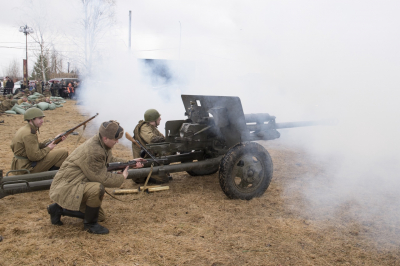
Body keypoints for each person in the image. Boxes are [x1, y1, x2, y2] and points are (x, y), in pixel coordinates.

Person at [48, 120, 145, 234]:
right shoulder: (94, 150)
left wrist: (130, 163)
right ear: (106, 138)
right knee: (97, 188)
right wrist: (122, 178)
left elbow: (110, 161)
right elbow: (101, 178)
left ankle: (57, 209)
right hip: (68, 185)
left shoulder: (101, 143)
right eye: (115, 139)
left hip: (77, 182)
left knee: (99, 216)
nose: (117, 142)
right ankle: (90, 225)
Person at [10, 108, 69, 175]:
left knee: (61, 153)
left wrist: (55, 139)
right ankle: (48, 177)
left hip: (20, 165)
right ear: (31, 119)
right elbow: (34, 156)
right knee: (63, 153)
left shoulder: (24, 129)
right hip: (26, 168)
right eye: (40, 118)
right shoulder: (29, 134)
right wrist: (48, 148)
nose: (42, 121)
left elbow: (35, 146)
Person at [132, 109, 170, 184]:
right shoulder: (144, 128)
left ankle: (153, 172)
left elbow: (162, 138)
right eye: (158, 118)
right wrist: (166, 139)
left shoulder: (152, 128)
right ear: (153, 120)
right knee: (163, 180)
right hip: (144, 162)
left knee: (170, 151)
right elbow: (152, 139)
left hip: (150, 159)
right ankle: (143, 177)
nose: (160, 119)